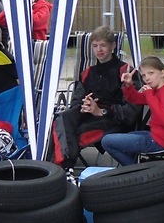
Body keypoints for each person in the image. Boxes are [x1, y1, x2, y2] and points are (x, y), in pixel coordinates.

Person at [52, 26, 138, 170]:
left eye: (103, 45)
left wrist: (101, 111)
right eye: (95, 46)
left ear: (113, 46)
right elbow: (76, 102)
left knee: (69, 134)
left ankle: (61, 168)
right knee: (61, 119)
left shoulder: (125, 72)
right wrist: (85, 105)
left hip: (113, 120)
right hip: (89, 116)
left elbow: (131, 113)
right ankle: (57, 167)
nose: (99, 50)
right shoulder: (87, 73)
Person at [100, 56, 164, 167]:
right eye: (144, 75)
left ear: (162, 73)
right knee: (130, 135)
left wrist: (150, 95)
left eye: (151, 73)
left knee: (107, 141)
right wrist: (128, 85)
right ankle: (138, 170)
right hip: (158, 137)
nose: (147, 79)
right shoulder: (158, 90)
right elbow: (135, 99)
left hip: (161, 141)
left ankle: (136, 169)